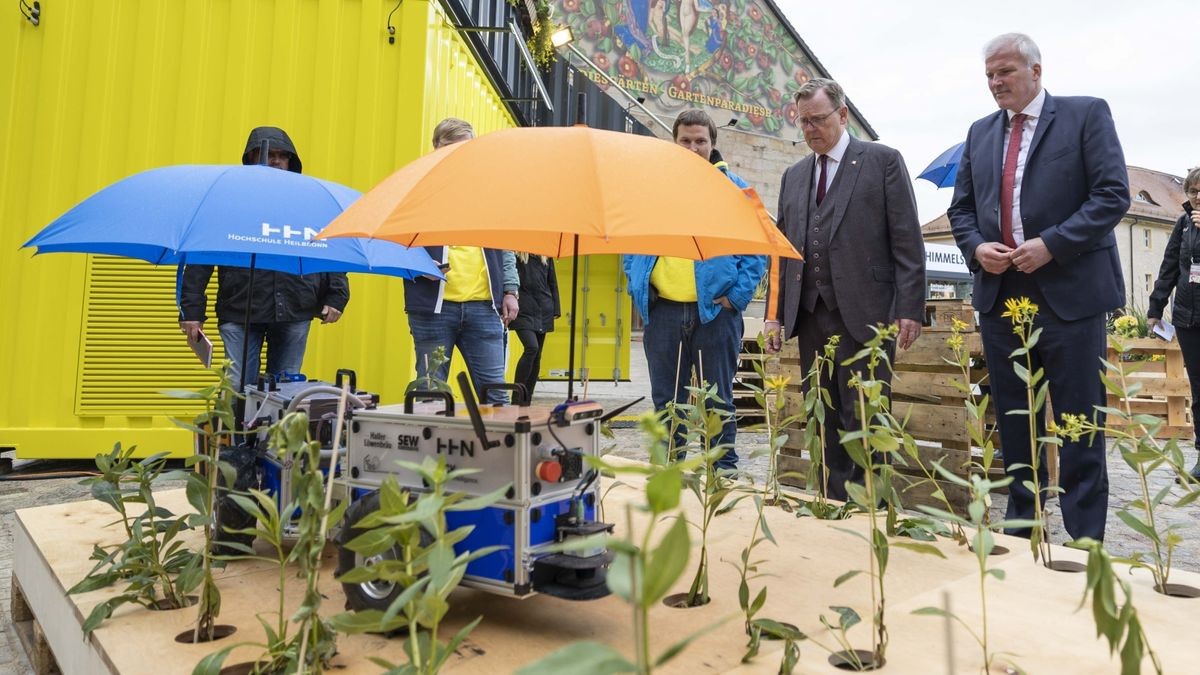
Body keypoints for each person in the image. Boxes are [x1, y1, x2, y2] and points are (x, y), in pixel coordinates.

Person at [948, 33, 1130, 541]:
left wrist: (1052, 243)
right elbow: (961, 210)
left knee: (1078, 421)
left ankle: (1085, 537)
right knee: (1013, 420)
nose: (995, 82)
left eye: (1004, 71)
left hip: (1070, 297)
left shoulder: (1085, 115)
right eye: (988, 74)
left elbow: (1112, 194)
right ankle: (1023, 525)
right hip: (1002, 296)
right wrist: (976, 247)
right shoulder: (980, 133)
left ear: (1036, 70)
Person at [763, 78, 925, 501]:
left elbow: (907, 239)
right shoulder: (794, 176)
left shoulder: (882, 161)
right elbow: (781, 250)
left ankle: (871, 504)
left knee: (866, 416)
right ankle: (832, 503)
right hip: (811, 313)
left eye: (818, 120)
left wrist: (910, 307)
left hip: (867, 313)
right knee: (823, 414)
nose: (811, 129)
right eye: (803, 123)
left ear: (843, 114)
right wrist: (774, 313)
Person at [623, 109, 766, 470]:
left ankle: (723, 470)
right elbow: (630, 244)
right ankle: (670, 470)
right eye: (685, 140)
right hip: (665, 311)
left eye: (700, 141)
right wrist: (638, 286)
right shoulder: (652, 189)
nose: (692, 147)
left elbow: (757, 248)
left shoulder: (734, 189)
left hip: (715, 312)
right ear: (675, 143)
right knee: (667, 400)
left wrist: (737, 297)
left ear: (713, 144)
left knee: (718, 399)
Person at [178, 126, 349, 389]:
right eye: (267, 154)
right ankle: (234, 432)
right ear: (250, 158)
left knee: (285, 392)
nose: (275, 160)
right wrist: (192, 310)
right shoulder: (228, 202)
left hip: (296, 307)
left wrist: (337, 295)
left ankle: (275, 433)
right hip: (240, 309)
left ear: (291, 161)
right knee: (237, 390)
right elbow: (201, 254)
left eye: (282, 155)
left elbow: (329, 246)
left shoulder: (310, 201)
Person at [404, 118, 520, 405]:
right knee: (430, 394)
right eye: (449, 148)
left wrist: (510, 289)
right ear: (435, 148)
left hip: (484, 306)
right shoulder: (417, 187)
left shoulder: (487, 190)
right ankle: (431, 450)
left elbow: (504, 245)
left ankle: (497, 450)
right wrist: (417, 265)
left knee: (496, 397)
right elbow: (395, 239)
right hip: (433, 307)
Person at [1147, 167, 1200, 482]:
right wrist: (1155, 308)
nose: (1198, 197)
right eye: (1193, 191)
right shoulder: (1182, 224)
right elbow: (1168, 267)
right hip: (1188, 319)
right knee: (1199, 390)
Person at [511, 252, 560, 405]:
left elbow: (552, 282)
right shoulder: (516, 255)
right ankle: (516, 397)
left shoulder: (545, 256)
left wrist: (556, 309)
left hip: (543, 308)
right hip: (523, 309)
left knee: (537, 355)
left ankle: (527, 400)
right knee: (531, 347)